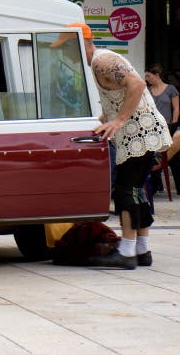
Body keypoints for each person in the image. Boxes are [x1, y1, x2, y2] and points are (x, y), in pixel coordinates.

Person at [55, 23, 172, 269]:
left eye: (65, 49)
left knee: (124, 189)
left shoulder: (102, 61)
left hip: (137, 132)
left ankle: (126, 252)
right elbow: (118, 98)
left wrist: (119, 120)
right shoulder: (101, 62)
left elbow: (137, 85)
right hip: (141, 131)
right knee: (136, 189)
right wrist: (104, 119)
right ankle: (142, 249)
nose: (65, 55)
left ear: (78, 44)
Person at [145, 64, 179, 134]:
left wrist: (173, 124)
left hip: (166, 126)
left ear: (157, 75)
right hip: (150, 126)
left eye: (148, 76)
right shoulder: (147, 90)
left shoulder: (171, 89)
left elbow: (176, 108)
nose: (146, 79)